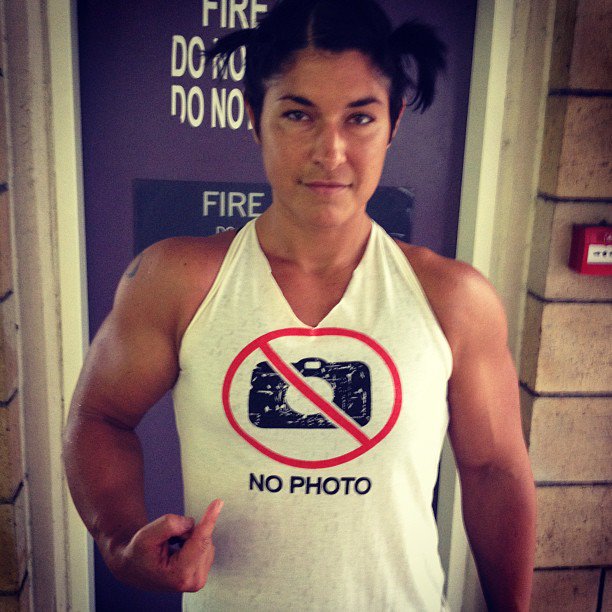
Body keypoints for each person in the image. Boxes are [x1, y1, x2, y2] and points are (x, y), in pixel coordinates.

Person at [63, 0, 536, 610]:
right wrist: (120, 539)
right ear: (254, 117)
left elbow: (495, 470)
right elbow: (100, 416)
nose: (330, 151)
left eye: (359, 118)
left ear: (393, 122)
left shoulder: (454, 298)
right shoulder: (177, 280)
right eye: (298, 114)